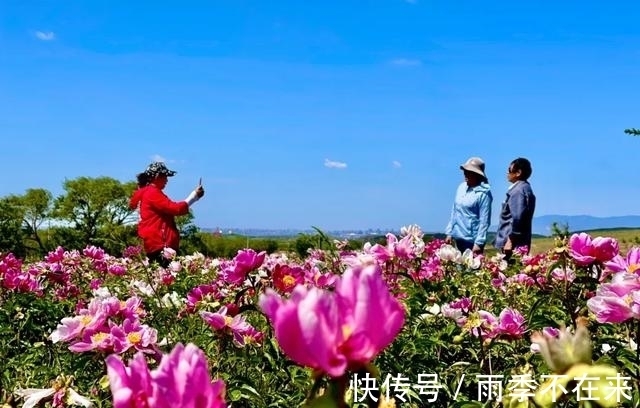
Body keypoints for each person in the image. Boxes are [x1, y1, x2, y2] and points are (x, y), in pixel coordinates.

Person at [129, 162, 205, 266]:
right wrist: (194, 196)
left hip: (154, 244)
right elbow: (175, 209)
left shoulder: (146, 192)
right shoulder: (152, 193)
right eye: (164, 176)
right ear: (156, 176)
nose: (167, 180)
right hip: (161, 245)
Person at [444, 157, 493, 255]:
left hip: (471, 241)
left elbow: (484, 221)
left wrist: (479, 243)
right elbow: (455, 211)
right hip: (458, 237)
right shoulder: (461, 187)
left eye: (469, 172)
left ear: (477, 174)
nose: (465, 174)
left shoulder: (484, 194)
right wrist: (449, 232)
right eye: (465, 171)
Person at [493, 157, 536, 260]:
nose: (507, 173)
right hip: (521, 242)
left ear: (518, 173)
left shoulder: (517, 191)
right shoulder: (526, 188)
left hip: (512, 244)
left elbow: (517, 218)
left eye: (509, 170)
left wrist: (510, 240)